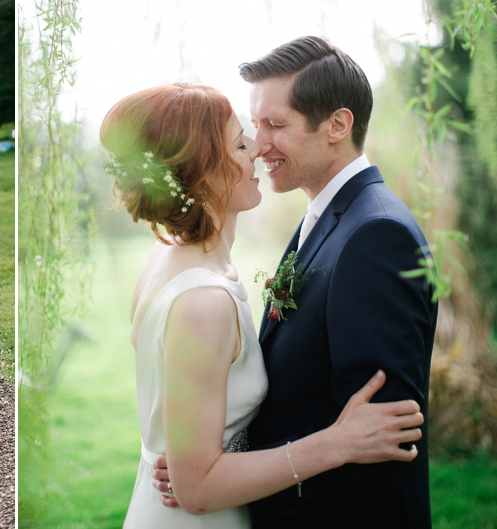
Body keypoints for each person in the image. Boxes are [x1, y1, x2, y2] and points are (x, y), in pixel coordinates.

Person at [100, 81, 425, 529]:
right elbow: (195, 489)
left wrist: (192, 455)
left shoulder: (170, 256)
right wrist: (337, 442)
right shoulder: (203, 302)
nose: (255, 147)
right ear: (200, 170)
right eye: (239, 141)